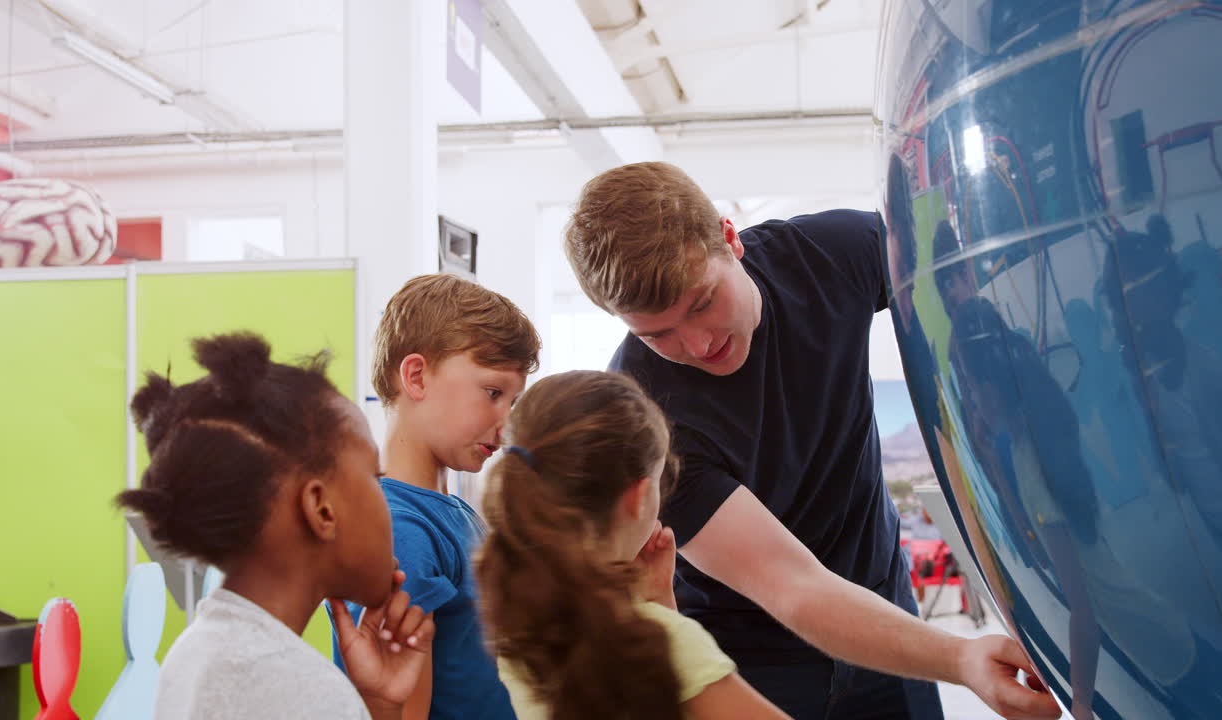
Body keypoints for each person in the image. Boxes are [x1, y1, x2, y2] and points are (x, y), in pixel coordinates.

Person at [564, 161, 1060, 719]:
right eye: (658, 335)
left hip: (885, 608)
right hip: (755, 652)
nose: (699, 344)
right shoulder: (642, 423)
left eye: (703, 302)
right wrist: (961, 659)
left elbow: (957, 249)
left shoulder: (831, 254)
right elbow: (793, 586)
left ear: (731, 240)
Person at [117, 331, 433, 720]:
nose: (386, 499)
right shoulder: (303, 692)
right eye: (374, 475)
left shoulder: (201, 653)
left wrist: (380, 705)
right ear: (321, 509)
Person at [477, 369, 790, 719]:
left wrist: (659, 602)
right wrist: (664, 619)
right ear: (640, 496)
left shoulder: (523, 633)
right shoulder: (670, 644)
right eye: (658, 480)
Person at [334, 274, 540, 720]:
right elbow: (400, 705)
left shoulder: (455, 513)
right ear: (416, 377)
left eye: (514, 402)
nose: (506, 425)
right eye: (492, 393)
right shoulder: (399, 531)